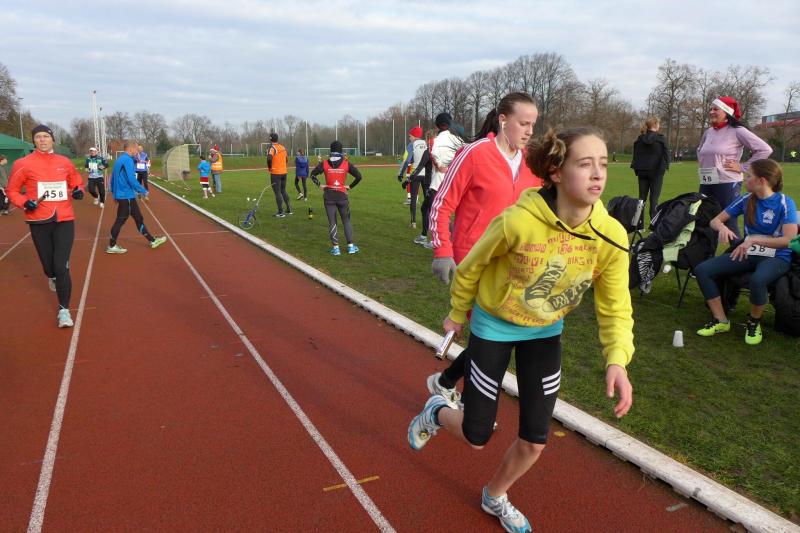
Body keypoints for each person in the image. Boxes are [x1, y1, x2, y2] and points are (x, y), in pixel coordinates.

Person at [407, 127, 634, 533]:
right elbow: (471, 268)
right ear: (556, 172)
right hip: (494, 326)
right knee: (476, 435)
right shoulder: (517, 221)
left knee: (534, 440)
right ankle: (437, 411)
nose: (598, 174)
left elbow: (616, 306)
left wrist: (617, 360)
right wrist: (457, 313)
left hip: (544, 333)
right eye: (585, 164)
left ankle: (495, 495)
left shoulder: (611, 237)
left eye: (602, 163)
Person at [427, 92, 543, 404]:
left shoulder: (532, 163)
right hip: (473, 261)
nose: (530, 131)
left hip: (515, 266)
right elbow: (441, 205)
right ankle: (471, 404)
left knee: (496, 337)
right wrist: (443, 251)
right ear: (503, 121)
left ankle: (446, 381)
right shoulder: (474, 154)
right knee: (492, 337)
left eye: (533, 124)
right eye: (524, 123)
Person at [694, 158, 797, 345]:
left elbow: (788, 241)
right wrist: (722, 228)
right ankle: (721, 320)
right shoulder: (745, 199)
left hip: (777, 257)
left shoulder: (785, 203)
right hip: (749, 253)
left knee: (758, 280)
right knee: (703, 270)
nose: (744, 178)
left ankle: (753, 322)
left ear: (761, 181)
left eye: (748, 176)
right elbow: (714, 221)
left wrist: (753, 240)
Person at [5, 125, 86, 328]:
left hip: (64, 219)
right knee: (49, 267)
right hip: (39, 220)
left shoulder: (64, 162)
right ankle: (51, 275)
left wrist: (78, 190)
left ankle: (64, 311)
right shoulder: (23, 163)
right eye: (38, 137)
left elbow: (76, 182)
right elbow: (12, 191)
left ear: (52, 140)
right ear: (34, 141)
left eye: (46, 136)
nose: (42, 140)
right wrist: (25, 202)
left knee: (61, 265)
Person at [697, 96, 772, 237]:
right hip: (706, 182)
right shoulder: (709, 132)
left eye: (716, 109)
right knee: (705, 220)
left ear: (726, 112)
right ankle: (706, 251)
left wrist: (743, 167)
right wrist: (704, 164)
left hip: (727, 182)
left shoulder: (738, 131)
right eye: (711, 109)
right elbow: (700, 149)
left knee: (728, 222)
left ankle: (738, 249)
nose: (711, 112)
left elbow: (765, 149)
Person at [107, 140, 167, 254]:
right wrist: (143, 191)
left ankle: (152, 240)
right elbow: (131, 179)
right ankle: (112, 245)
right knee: (120, 221)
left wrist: (114, 193)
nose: (137, 151)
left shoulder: (119, 159)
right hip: (126, 196)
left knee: (138, 218)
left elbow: (113, 177)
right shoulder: (128, 160)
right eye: (136, 149)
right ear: (130, 149)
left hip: (125, 195)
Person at [419, 113, 468, 247]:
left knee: (438, 213)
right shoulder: (459, 139)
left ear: (438, 125)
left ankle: (438, 240)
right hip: (455, 180)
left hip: (439, 181)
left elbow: (434, 157)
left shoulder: (437, 140)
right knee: (438, 211)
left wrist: (441, 166)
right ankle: (449, 239)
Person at [309, 140, 362, 255]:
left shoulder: (324, 163)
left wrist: (320, 185)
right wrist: (349, 186)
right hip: (342, 196)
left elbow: (312, 175)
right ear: (341, 151)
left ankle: (336, 248)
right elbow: (359, 176)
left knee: (332, 222)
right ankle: (351, 247)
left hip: (329, 197)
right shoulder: (346, 163)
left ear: (331, 150)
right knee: (346, 221)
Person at [630, 117, 669, 223]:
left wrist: (637, 169)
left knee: (641, 198)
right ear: (656, 125)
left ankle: (637, 223)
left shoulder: (640, 138)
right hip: (656, 172)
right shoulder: (661, 139)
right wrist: (664, 168)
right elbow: (666, 155)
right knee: (654, 199)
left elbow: (636, 154)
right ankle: (653, 224)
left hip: (642, 171)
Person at [399, 126, 429, 230]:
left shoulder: (412, 145)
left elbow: (407, 161)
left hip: (415, 174)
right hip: (426, 175)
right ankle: (429, 223)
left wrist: (401, 173)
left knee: (413, 199)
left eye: (410, 136)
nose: (409, 138)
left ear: (414, 136)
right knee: (427, 199)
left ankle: (413, 223)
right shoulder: (426, 143)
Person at [267, 133, 291, 217]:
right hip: (284, 172)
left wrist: (270, 168)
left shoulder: (272, 148)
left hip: (276, 173)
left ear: (270, 139)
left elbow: (269, 158)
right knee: (283, 190)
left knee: (277, 192)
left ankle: (281, 212)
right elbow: (286, 159)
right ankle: (289, 209)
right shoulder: (283, 147)